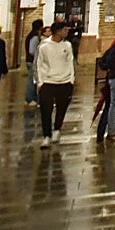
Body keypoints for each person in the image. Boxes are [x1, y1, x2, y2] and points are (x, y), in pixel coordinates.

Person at [35, 20, 75, 148]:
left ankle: (57, 128)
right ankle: (46, 135)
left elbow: (70, 62)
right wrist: (39, 82)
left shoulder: (67, 45)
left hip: (64, 81)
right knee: (46, 109)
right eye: (65, 30)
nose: (67, 32)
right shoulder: (44, 46)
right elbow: (39, 64)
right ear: (58, 31)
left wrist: (71, 79)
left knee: (62, 107)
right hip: (48, 81)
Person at [24, 19, 44, 108]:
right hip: (32, 61)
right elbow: (32, 51)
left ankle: (32, 98)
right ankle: (30, 99)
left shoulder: (31, 35)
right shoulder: (35, 37)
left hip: (31, 61)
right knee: (32, 80)